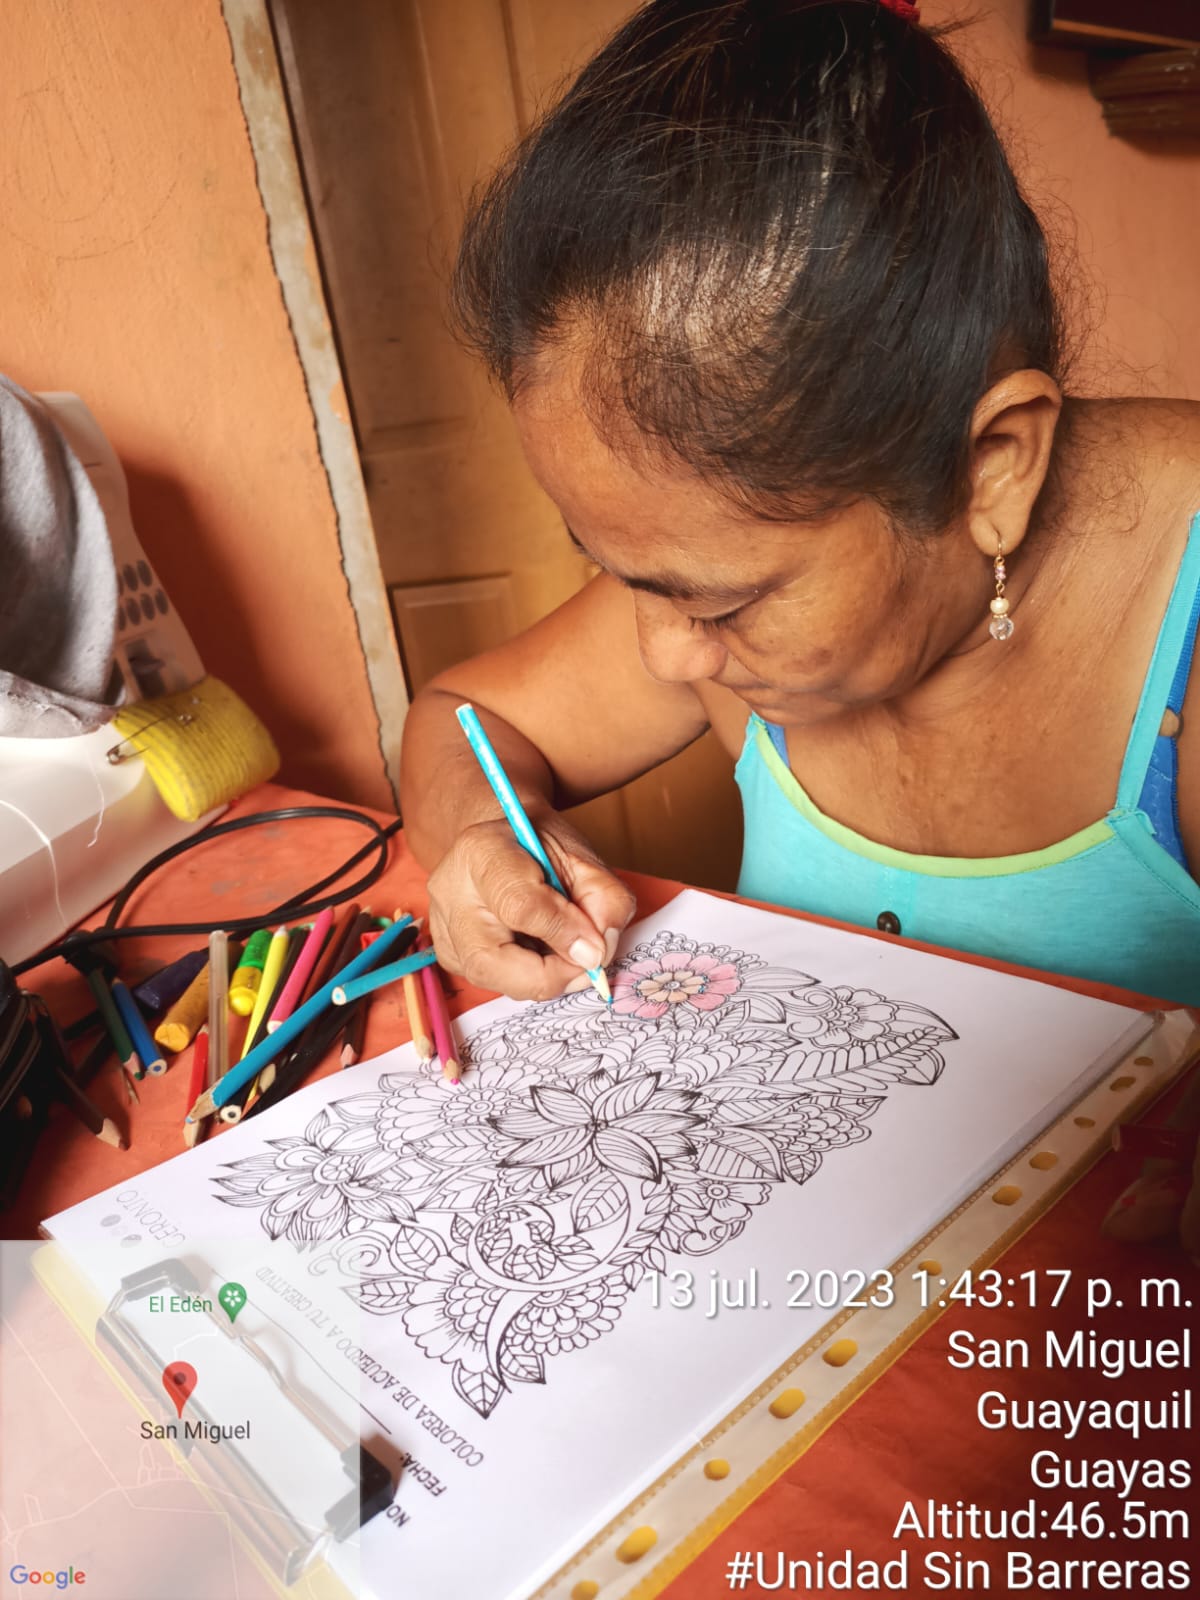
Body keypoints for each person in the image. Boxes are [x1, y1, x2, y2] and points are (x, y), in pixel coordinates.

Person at [399, 0, 1200, 1008]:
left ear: (993, 468)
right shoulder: (702, 583)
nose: (664, 654)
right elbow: (461, 720)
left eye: (723, 603)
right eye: (620, 572)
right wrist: (488, 834)